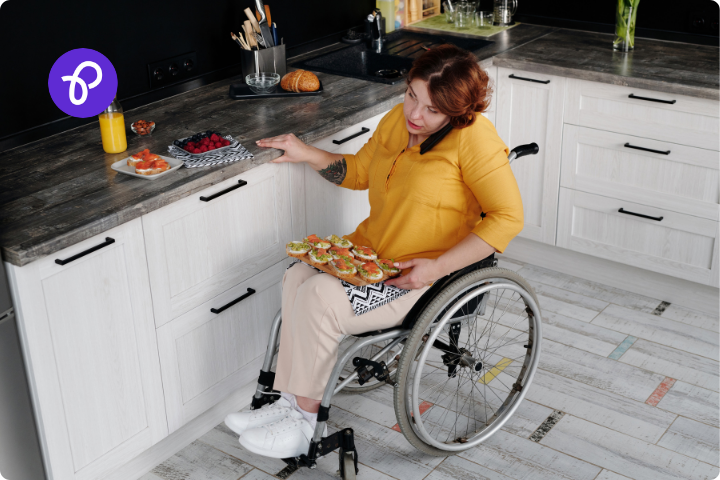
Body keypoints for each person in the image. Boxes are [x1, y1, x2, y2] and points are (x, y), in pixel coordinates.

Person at [225, 44, 524, 459]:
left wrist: (434, 267)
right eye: (411, 96)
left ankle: (303, 422)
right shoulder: (396, 123)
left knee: (319, 298)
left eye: (432, 110)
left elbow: (508, 217)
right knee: (297, 275)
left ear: (457, 112)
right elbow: (360, 172)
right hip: (373, 257)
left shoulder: (474, 140)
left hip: (424, 274)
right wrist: (305, 151)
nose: (415, 114)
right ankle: (288, 403)